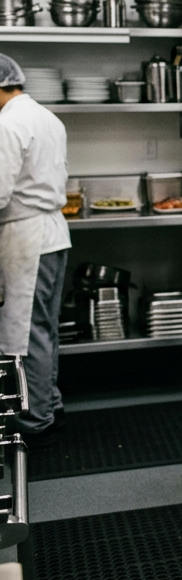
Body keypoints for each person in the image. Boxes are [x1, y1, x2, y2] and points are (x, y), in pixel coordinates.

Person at [0, 54, 70, 441]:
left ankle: (33, 420)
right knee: (43, 328)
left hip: (26, 237)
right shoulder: (46, 117)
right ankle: (50, 404)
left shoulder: (8, 124)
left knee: (25, 332)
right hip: (51, 233)